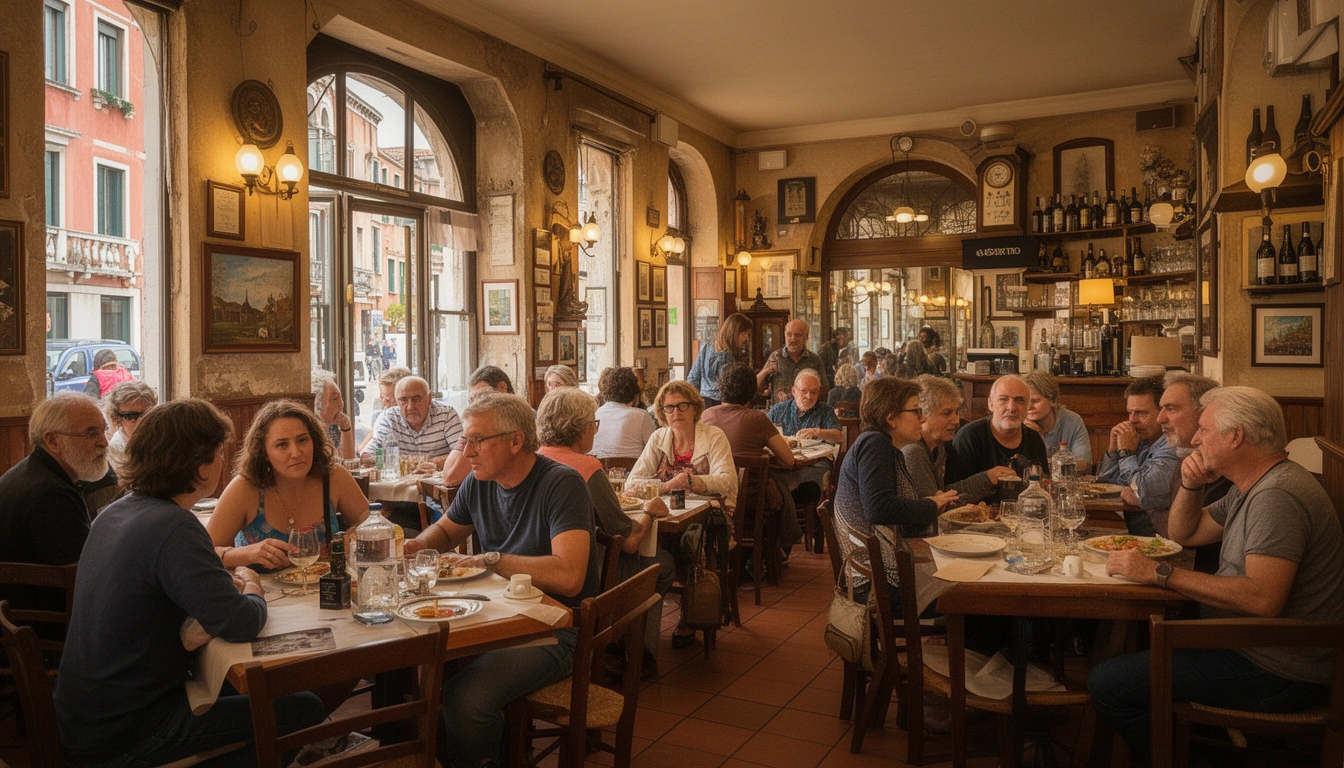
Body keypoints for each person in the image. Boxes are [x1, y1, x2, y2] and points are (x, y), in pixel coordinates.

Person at [54, 399, 325, 767]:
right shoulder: (175, 526)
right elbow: (241, 622)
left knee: (232, 684)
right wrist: (253, 587)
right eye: (218, 453)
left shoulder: (117, 511)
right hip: (128, 731)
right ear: (199, 467)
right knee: (303, 708)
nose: (221, 461)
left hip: (85, 715)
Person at [1089, 386, 1344, 761]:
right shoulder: (1252, 485)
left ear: (1236, 435)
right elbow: (1184, 533)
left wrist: (1159, 573)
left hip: (1279, 671)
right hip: (1248, 647)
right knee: (1132, 655)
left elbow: (1263, 598)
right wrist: (1191, 484)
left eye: (1204, 430)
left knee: (1106, 683)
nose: (1195, 439)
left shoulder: (1277, 495)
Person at [402, 393, 598, 768]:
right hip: (495, 616)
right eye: (465, 439)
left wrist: (491, 560)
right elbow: (443, 535)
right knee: (419, 671)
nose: (466, 451)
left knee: (466, 697)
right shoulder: (480, 481)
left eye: (476, 440)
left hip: (555, 626)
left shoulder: (562, 484)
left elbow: (570, 577)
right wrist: (415, 547)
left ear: (515, 440)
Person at [535, 387, 672, 677]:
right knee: (661, 565)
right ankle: (634, 654)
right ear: (580, 428)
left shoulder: (533, 462)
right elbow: (631, 542)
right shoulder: (585, 467)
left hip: (537, 573)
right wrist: (649, 512)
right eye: (593, 425)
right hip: (586, 579)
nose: (595, 432)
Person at [832, 377, 958, 612]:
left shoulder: (881, 445)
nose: (922, 418)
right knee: (975, 601)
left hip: (878, 576)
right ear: (891, 418)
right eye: (915, 411)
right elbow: (879, 509)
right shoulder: (875, 444)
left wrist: (930, 503)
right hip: (876, 587)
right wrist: (930, 505)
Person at [627, 380, 738, 648]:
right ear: (662, 412)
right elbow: (632, 483)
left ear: (695, 408)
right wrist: (665, 486)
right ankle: (639, 618)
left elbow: (728, 481)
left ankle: (690, 611)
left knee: (692, 538)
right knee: (644, 540)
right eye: (668, 408)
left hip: (709, 513)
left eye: (682, 405)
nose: (675, 412)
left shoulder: (713, 436)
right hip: (668, 514)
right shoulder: (658, 438)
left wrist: (691, 481)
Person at [208, 400, 369, 572]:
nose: (296, 453)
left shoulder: (333, 477)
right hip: (259, 595)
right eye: (282, 445)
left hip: (325, 594)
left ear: (314, 441)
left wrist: (357, 534)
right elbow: (202, 554)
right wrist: (245, 554)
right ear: (264, 453)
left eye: (302, 440)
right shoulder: (245, 487)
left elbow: (376, 524)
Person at [703, 363, 805, 554]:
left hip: (712, 496)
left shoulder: (705, 416)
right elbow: (789, 460)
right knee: (778, 483)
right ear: (752, 391)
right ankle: (780, 549)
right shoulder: (757, 418)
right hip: (748, 498)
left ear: (722, 388)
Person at [0, 393, 108, 567]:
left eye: (104, 431)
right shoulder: (50, 494)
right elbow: (80, 572)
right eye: (91, 433)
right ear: (53, 441)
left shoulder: (36, 472)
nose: (104, 442)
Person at [903, 375, 1018, 503]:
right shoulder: (913, 451)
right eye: (947, 413)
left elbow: (945, 494)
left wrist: (987, 478)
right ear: (923, 414)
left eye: (956, 412)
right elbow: (933, 507)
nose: (956, 421)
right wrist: (986, 479)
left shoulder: (939, 447)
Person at [1096, 376, 1181, 536]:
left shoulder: (1171, 446)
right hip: (1138, 533)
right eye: (1129, 412)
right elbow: (1106, 484)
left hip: (1163, 538)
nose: (1131, 420)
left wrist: (1126, 453)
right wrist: (1113, 451)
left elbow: (1140, 490)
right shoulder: (1140, 439)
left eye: (1141, 413)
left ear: (1163, 413)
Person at [944, 375, 1049, 502]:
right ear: (991, 404)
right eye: (1003, 399)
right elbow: (951, 493)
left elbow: (1043, 487)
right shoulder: (969, 437)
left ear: (1028, 407)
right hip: (976, 519)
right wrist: (986, 479)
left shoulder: (1034, 439)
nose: (1011, 407)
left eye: (1020, 400)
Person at [361, 375, 463, 469]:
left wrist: (432, 463)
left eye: (416, 399)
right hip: (400, 486)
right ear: (397, 402)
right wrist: (410, 463)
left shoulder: (446, 415)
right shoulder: (389, 418)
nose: (410, 407)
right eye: (404, 400)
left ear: (429, 399)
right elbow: (366, 457)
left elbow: (463, 455)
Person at [1021, 371, 1090, 474]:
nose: (1029, 407)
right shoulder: (1018, 423)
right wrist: (1031, 437)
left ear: (1052, 398)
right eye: (1024, 401)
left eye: (1035, 401)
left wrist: (1047, 463)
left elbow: (1084, 466)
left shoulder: (1073, 420)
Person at [685, 312, 752, 408]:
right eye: (744, 334)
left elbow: (692, 378)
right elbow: (731, 388)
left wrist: (695, 403)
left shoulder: (707, 346)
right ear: (734, 333)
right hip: (721, 404)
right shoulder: (727, 356)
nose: (746, 338)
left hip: (703, 402)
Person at [590, 366, 656, 460]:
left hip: (600, 469)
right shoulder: (641, 415)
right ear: (633, 390)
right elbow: (652, 451)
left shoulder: (597, 413)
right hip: (631, 470)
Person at [767, 369, 843, 444]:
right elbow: (760, 434)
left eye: (813, 392)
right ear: (794, 391)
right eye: (804, 391)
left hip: (817, 456)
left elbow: (838, 437)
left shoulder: (825, 410)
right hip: (782, 455)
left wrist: (817, 432)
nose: (809, 396)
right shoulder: (777, 411)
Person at [757, 319, 829, 397]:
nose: (793, 339)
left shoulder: (815, 360)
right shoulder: (775, 357)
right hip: (781, 408)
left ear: (806, 337)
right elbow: (757, 386)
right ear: (785, 334)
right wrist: (767, 371)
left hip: (807, 408)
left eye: (798, 335)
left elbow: (824, 390)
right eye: (789, 334)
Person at [102, 380, 157, 476]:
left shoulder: (163, 439)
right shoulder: (113, 453)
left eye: (147, 413)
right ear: (115, 418)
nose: (141, 420)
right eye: (131, 416)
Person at [358, 365, 412, 454]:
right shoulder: (381, 417)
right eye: (381, 396)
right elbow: (362, 450)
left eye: (388, 399)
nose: (381, 400)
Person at [311, 369, 355, 460]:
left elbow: (349, 461)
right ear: (317, 403)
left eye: (340, 398)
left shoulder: (332, 428)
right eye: (335, 398)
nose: (341, 404)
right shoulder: (312, 437)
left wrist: (346, 428)